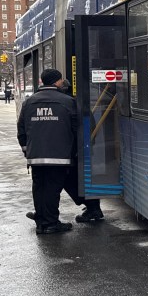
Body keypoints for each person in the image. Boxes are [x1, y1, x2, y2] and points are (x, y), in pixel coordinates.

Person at [17, 68, 104, 234]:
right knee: (52, 188)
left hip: (36, 157)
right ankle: (49, 223)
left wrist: (28, 151)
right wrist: (78, 150)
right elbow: (81, 127)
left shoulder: (29, 102)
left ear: (42, 81)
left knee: (40, 188)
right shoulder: (68, 102)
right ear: (57, 81)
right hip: (60, 156)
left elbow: (21, 130)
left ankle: (43, 220)